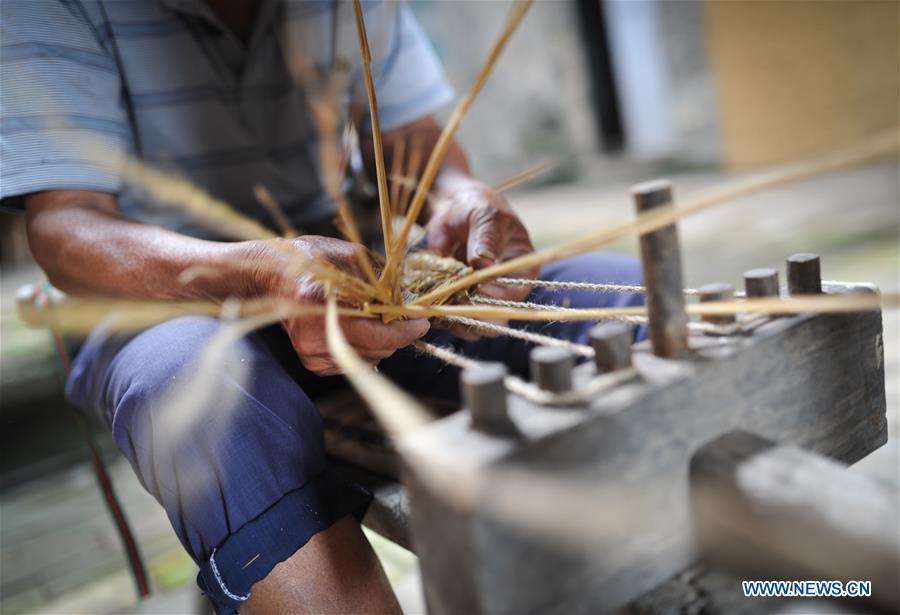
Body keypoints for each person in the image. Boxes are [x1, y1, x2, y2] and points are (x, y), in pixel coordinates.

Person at [1, 1, 644, 612]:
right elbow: (67, 230)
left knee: (625, 299)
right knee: (193, 388)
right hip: (158, 298)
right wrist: (259, 272)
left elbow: (416, 146)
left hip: (347, 281)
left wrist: (457, 194)